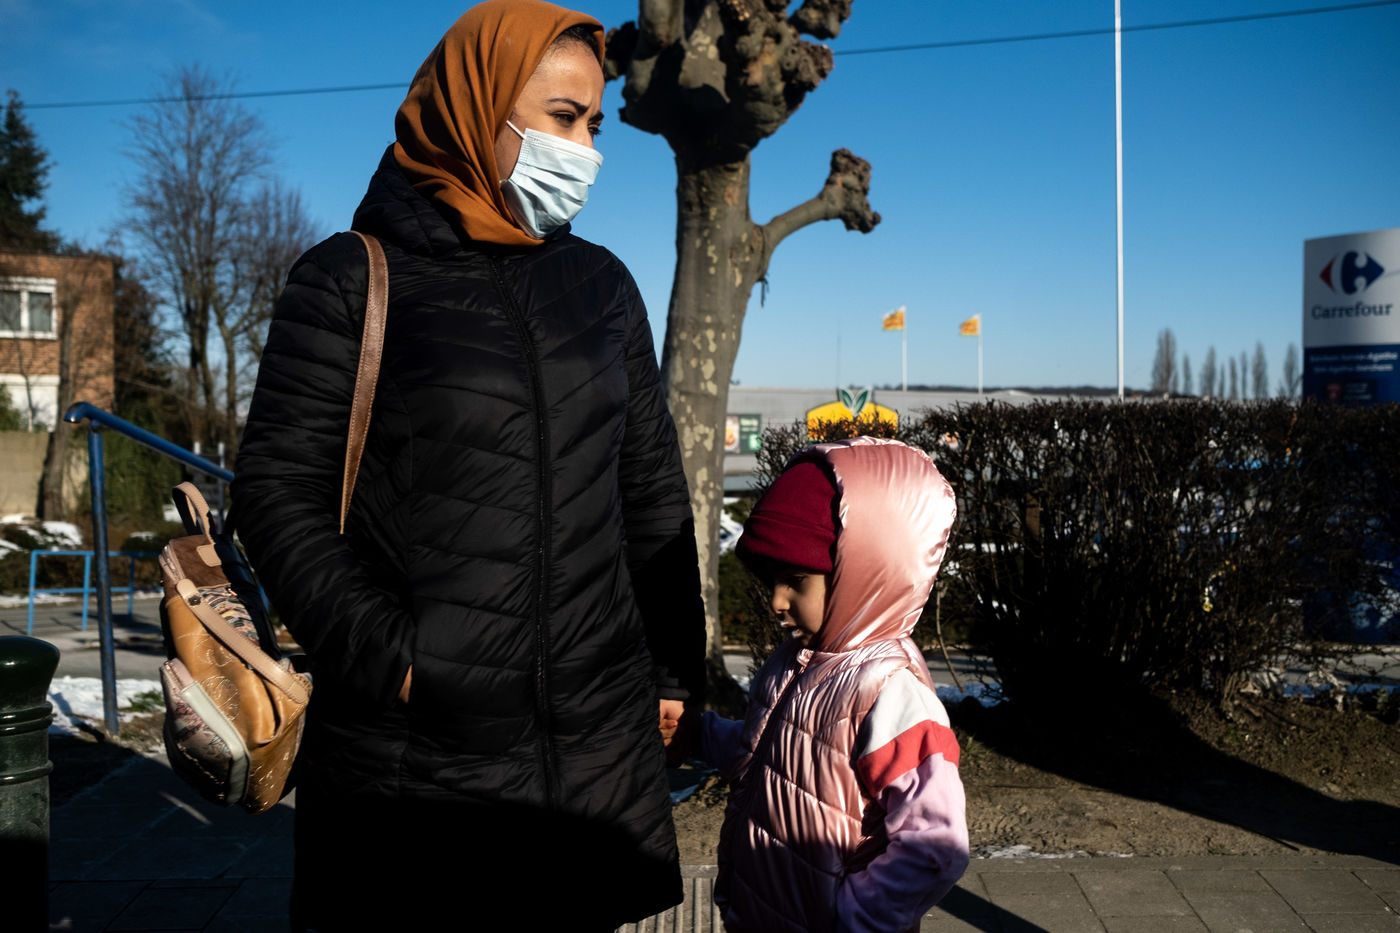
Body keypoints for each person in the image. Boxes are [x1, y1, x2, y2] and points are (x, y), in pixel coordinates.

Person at [231, 3, 705, 929]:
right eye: (562, 118)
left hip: (595, 749)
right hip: (419, 761)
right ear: (472, 108)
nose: (585, 150)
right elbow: (276, 494)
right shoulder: (348, 279)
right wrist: (399, 661)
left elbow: (650, 489)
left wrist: (674, 669)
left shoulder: (602, 286)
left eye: (594, 124)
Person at [693, 436, 969, 933]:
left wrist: (855, 918)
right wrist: (698, 735)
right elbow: (771, 757)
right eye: (771, 580)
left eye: (796, 581)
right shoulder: (796, 661)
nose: (776, 601)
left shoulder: (890, 692)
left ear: (863, 574)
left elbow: (935, 844)